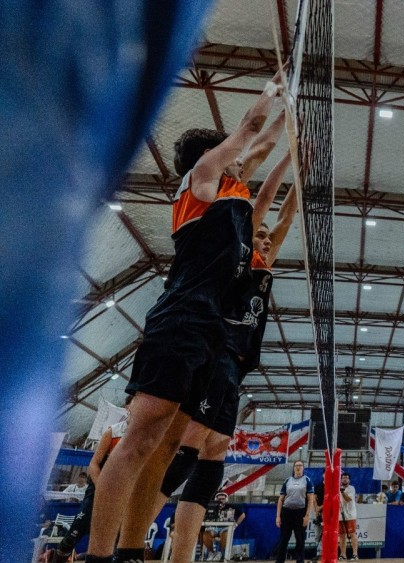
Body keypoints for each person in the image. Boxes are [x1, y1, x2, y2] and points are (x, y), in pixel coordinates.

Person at [85, 72, 284, 563]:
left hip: (212, 326)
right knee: (142, 437)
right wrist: (273, 91)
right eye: (232, 153)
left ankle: (131, 551)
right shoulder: (201, 180)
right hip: (182, 316)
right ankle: (97, 555)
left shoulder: (234, 196)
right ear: (212, 155)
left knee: (170, 443)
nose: (242, 157)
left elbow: (263, 144)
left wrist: (292, 118)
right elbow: (250, 130)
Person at [52, 397, 131, 563]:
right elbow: (93, 465)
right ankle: (59, 557)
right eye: (136, 401)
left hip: (123, 493)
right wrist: (103, 488)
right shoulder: (113, 432)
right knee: (75, 532)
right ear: (127, 407)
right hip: (98, 490)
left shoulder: (146, 437)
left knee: (117, 540)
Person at [275, 461, 316, 563]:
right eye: (296, 466)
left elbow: (310, 499)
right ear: (293, 468)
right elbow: (280, 499)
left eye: (300, 465)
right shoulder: (287, 480)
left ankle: (300, 560)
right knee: (284, 538)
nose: (298, 467)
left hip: (300, 513)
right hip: (286, 512)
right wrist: (278, 516)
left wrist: (307, 516)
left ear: (303, 468)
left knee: (300, 539)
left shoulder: (307, 480)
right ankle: (279, 561)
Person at [200, 492, 245, 561]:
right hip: (213, 527)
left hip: (225, 528)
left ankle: (219, 553)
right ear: (216, 499)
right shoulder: (211, 506)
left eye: (223, 499)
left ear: (226, 499)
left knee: (226, 534)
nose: (221, 500)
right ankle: (211, 553)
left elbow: (243, 515)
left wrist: (236, 525)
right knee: (206, 534)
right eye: (219, 499)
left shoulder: (231, 506)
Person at [340, 473, 359, 561]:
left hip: (350, 515)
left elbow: (348, 499)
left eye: (347, 478)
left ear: (349, 480)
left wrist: (342, 492)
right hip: (340, 515)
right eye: (343, 478)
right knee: (342, 535)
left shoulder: (351, 488)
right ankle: (343, 555)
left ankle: (355, 554)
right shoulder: (338, 488)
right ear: (341, 479)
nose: (345, 479)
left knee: (352, 534)